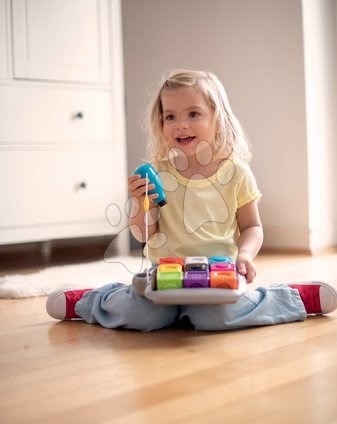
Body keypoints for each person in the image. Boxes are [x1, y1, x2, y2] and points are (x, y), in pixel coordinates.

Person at [46, 69, 337, 331]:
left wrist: (245, 255)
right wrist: (139, 204)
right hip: (165, 275)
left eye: (193, 114)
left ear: (216, 117)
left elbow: (252, 227)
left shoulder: (236, 172)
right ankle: (90, 301)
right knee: (144, 317)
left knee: (214, 318)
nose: (180, 125)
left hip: (216, 276)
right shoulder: (158, 173)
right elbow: (145, 235)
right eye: (170, 116)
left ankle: (293, 298)